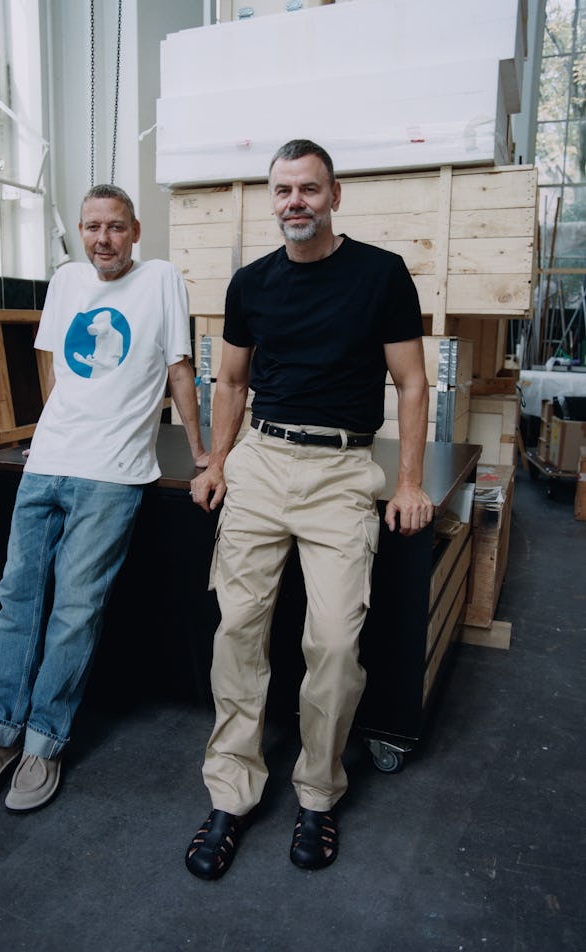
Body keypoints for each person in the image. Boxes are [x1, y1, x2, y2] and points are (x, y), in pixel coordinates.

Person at [184, 139, 432, 879]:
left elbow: (412, 384)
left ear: (335, 196)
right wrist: (219, 462)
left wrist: (410, 481)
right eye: (284, 190)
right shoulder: (251, 282)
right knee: (238, 629)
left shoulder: (381, 274)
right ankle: (232, 792)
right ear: (274, 199)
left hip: (342, 468)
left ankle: (318, 795)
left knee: (331, 644)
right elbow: (230, 382)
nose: (296, 201)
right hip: (262, 460)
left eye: (309, 189)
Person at [0, 184, 207, 812]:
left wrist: (204, 452)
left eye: (115, 227)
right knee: (16, 600)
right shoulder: (66, 281)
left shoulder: (162, 279)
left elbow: (179, 370)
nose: (103, 239)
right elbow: (58, 369)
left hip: (113, 472)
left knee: (75, 609)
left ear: (135, 230)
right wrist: (45, 437)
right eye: (92, 227)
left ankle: (43, 741)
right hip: (47, 462)